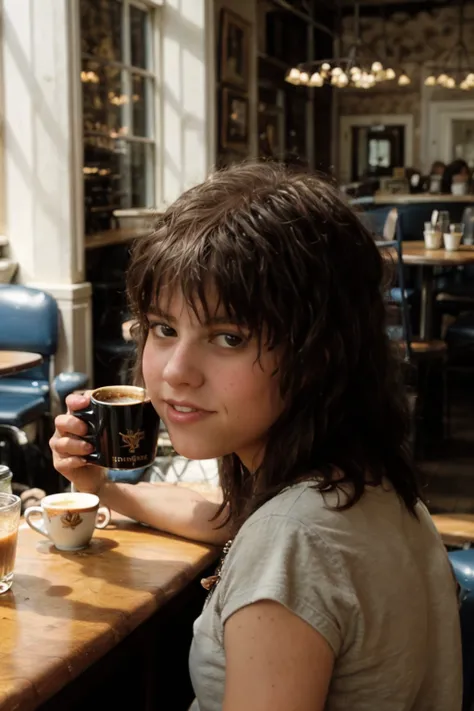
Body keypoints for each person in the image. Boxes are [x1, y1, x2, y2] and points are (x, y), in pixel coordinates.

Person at [50, 161, 461, 711]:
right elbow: (225, 516)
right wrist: (103, 488)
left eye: (228, 337)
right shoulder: (355, 479)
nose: (175, 372)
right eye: (164, 329)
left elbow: (275, 545)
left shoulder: (293, 542)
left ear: (320, 353)